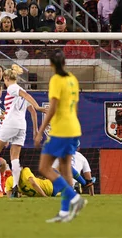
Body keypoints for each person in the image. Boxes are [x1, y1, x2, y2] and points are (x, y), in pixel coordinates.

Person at [35, 50, 87, 222]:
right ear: (65, 62)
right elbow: (76, 106)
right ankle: (65, 212)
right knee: (65, 169)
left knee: (44, 168)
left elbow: (53, 108)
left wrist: (41, 130)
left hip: (61, 130)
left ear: (51, 64)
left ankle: (74, 198)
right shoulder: (72, 78)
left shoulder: (56, 80)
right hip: (74, 128)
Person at [0, 64, 45, 198]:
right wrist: (35, 129)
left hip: (11, 123)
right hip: (22, 126)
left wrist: (38, 106)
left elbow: (27, 97)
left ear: (6, 78)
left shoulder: (13, 88)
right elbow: (31, 111)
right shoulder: (19, 89)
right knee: (14, 158)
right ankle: (15, 187)